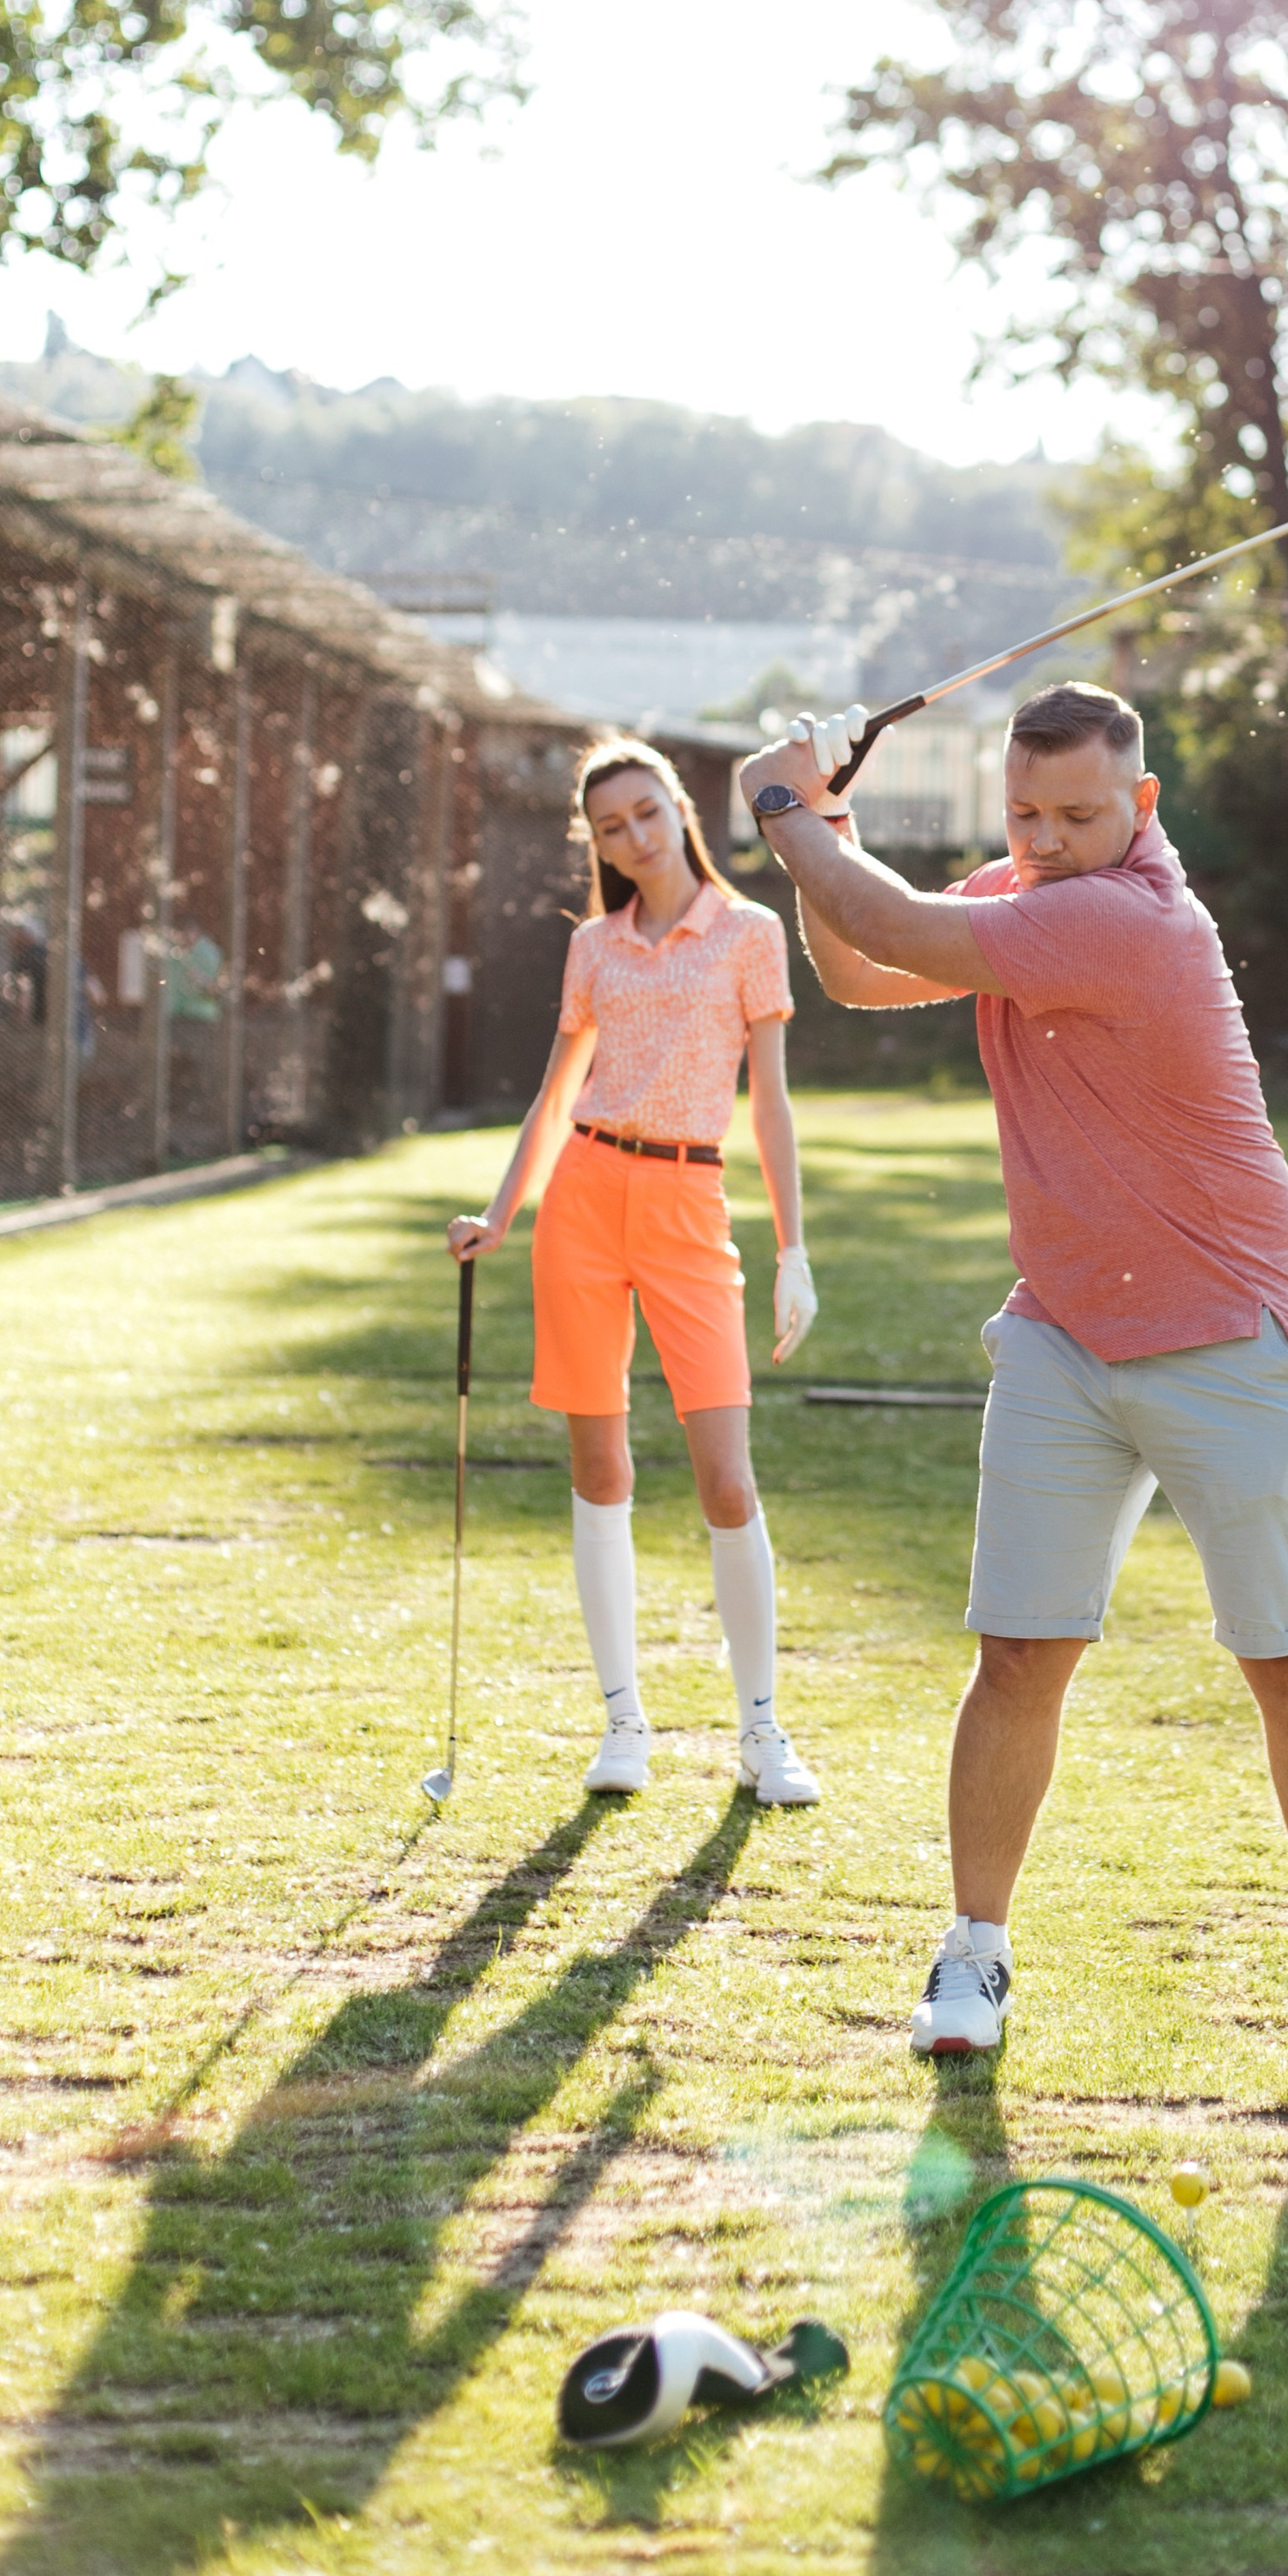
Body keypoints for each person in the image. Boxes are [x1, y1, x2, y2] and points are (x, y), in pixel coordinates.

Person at [737, 683, 1288, 2064]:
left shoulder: (1132, 921)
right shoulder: (1032, 889)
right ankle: (973, 1959)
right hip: (1063, 1336)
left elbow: (892, 923)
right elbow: (863, 966)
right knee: (1018, 1657)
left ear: (1143, 806)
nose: (1043, 838)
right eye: (1025, 814)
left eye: (1078, 814)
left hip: (1233, 1340)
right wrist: (831, 824)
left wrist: (783, 804)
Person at [447, 737, 823, 1808]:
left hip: (689, 1204)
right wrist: (501, 1214)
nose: (634, 836)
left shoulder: (749, 933)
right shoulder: (595, 949)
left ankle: (761, 1732)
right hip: (583, 1200)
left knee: (727, 1480)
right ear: (597, 840)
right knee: (599, 1473)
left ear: (680, 808)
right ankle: (623, 1724)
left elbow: (772, 1104)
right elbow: (553, 1092)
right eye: (611, 826)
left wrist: (795, 1248)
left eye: (646, 813)